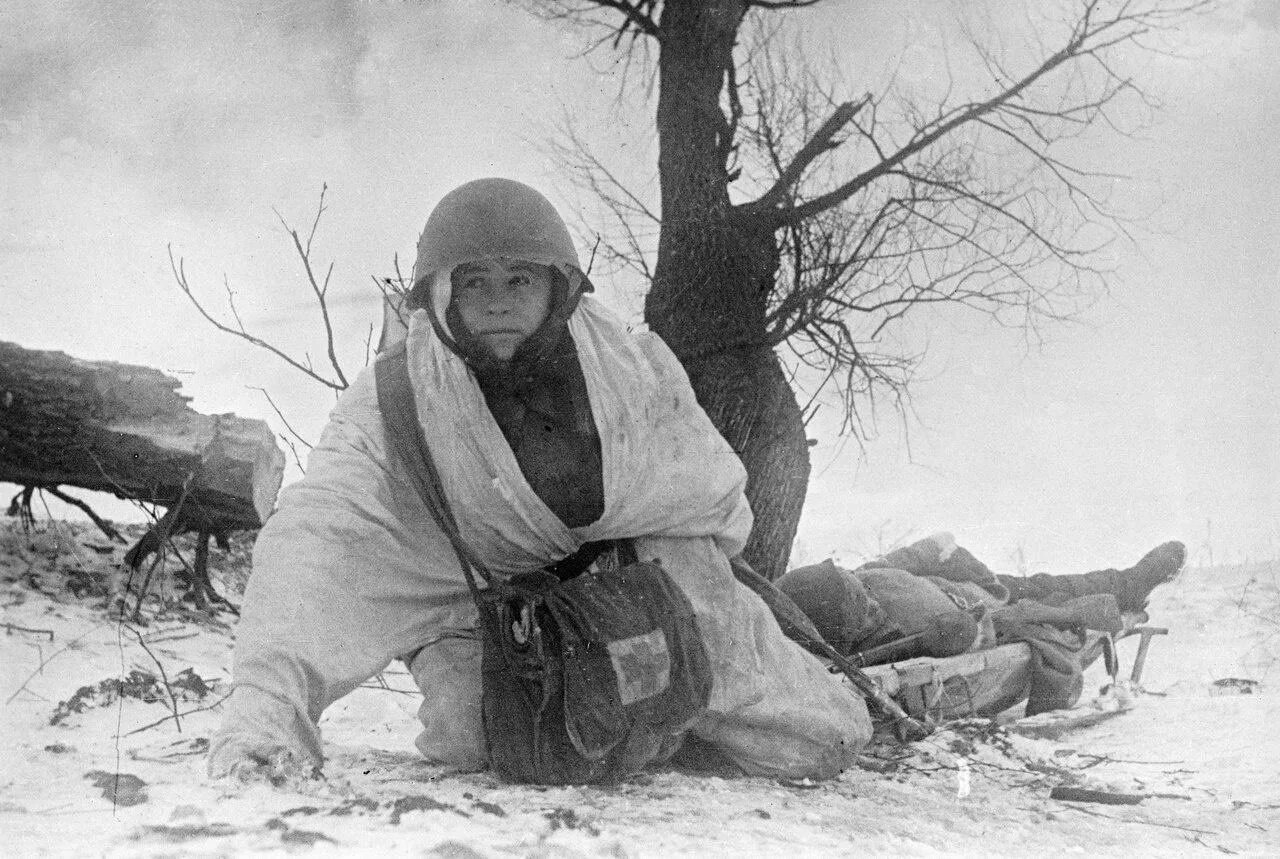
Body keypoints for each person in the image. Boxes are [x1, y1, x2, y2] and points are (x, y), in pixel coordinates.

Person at [208, 178, 871, 783]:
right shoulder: (395, 396)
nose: (497, 304)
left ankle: (841, 611)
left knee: (817, 741)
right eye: (474, 284)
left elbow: (712, 499)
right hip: (481, 607)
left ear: (558, 289)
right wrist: (265, 719)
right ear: (437, 299)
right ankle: (643, 726)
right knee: (484, 746)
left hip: (634, 583)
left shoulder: (626, 368)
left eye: (518, 281)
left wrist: (636, 592)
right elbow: (317, 541)